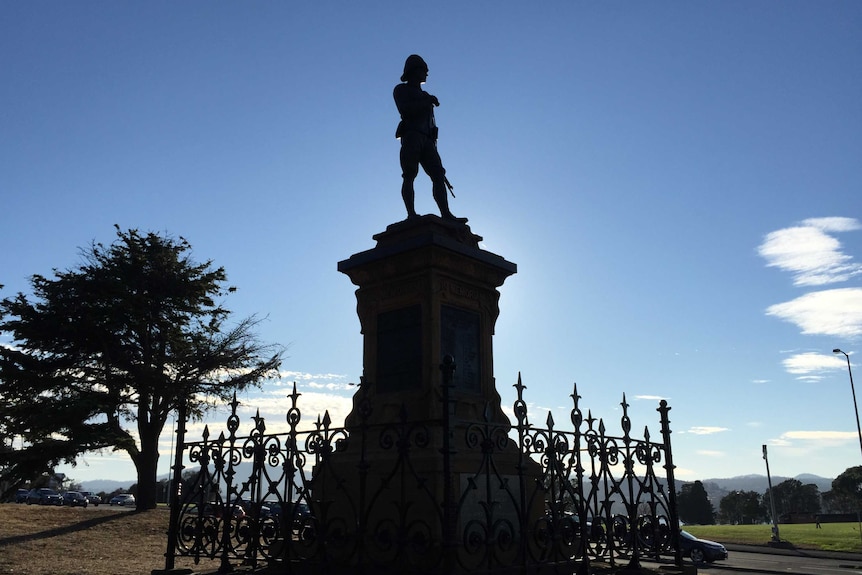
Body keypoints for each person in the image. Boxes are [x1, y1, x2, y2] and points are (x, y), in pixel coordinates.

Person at [394, 55, 466, 223]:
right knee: (410, 175)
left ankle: (446, 214)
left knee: (438, 174)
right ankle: (411, 214)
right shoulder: (401, 90)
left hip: (427, 140)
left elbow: (430, 123)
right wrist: (426, 102)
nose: (426, 74)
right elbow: (406, 110)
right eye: (423, 70)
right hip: (411, 135)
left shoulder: (425, 94)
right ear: (414, 71)